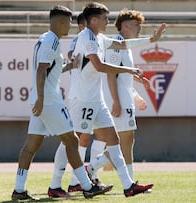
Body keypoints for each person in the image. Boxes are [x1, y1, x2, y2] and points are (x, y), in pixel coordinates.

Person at [53, 2, 165, 197]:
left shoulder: (99, 37)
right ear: (94, 20)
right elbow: (99, 66)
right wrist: (129, 70)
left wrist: (150, 39)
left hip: (96, 100)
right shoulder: (87, 37)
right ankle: (56, 185)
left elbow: (122, 44)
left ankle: (128, 186)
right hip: (83, 99)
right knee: (72, 142)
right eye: (105, 18)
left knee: (114, 140)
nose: (108, 22)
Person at [11, 5, 113, 201]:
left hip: (42, 99)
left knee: (30, 146)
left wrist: (70, 66)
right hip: (48, 100)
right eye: (68, 22)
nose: (70, 27)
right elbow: (41, 70)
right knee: (72, 140)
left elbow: (48, 70)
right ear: (61, 22)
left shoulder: (44, 39)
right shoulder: (52, 40)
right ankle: (86, 186)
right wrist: (41, 99)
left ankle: (19, 189)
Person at [54, 12, 109, 194]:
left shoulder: (95, 39)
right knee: (72, 139)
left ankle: (83, 179)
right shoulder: (81, 38)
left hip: (93, 96)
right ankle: (61, 183)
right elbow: (72, 56)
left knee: (90, 137)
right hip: (81, 97)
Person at [103, 8, 150, 182]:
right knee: (125, 140)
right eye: (137, 25)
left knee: (126, 140)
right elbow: (110, 73)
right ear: (126, 25)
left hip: (125, 98)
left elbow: (123, 76)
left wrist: (137, 93)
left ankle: (94, 168)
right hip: (119, 99)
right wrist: (116, 101)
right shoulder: (117, 43)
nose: (140, 29)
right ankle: (127, 180)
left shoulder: (126, 45)